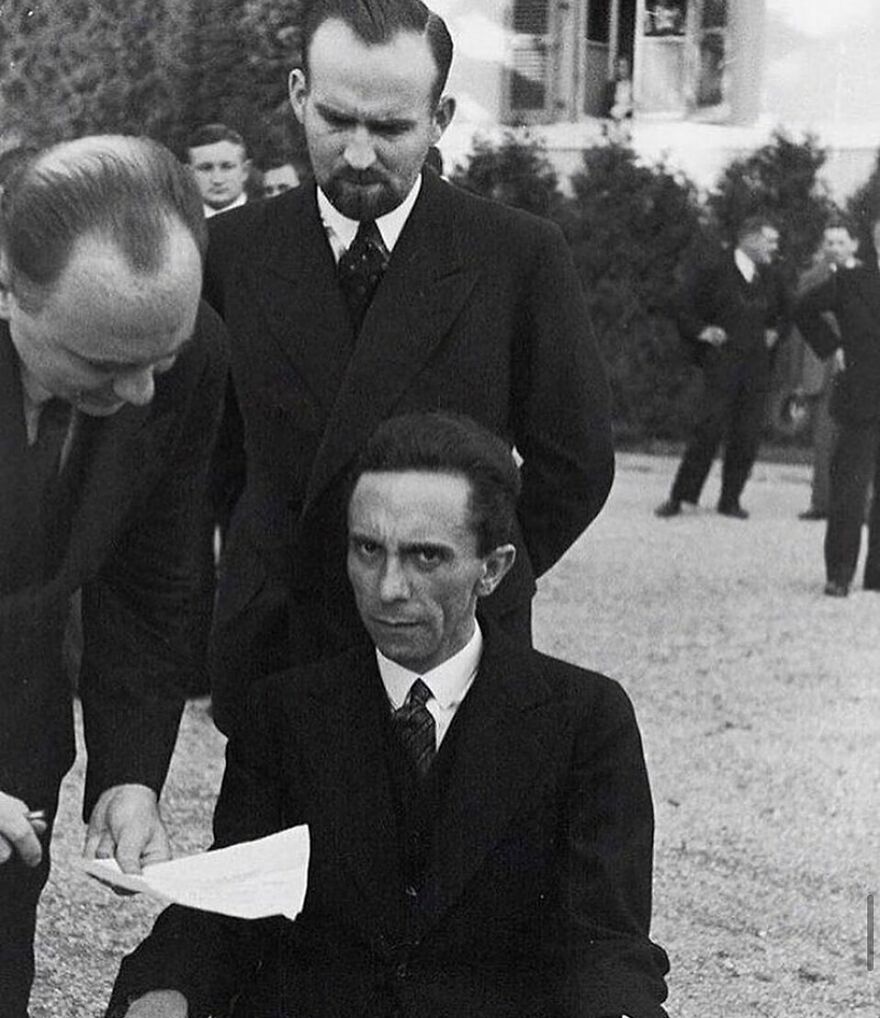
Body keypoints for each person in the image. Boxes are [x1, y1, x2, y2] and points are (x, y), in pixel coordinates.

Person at [106, 411, 669, 1018]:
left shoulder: (585, 720)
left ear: (494, 569)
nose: (387, 588)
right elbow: (232, 908)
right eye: (368, 549)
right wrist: (164, 989)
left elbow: (606, 945)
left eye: (426, 557)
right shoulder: (283, 713)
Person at [205, 0, 615, 735]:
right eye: (335, 120)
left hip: (452, 656)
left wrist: (467, 575)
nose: (358, 154)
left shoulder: (517, 255)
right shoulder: (229, 252)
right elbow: (209, 462)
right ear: (300, 94)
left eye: (391, 128)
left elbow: (576, 460)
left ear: (441, 117)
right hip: (278, 648)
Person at [0, 135, 228, 1016]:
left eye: (159, 362)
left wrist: (130, 771)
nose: (141, 395)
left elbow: (152, 576)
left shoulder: (187, 347)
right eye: (101, 365)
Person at [656, 215, 790, 519]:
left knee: (747, 435)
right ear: (750, 239)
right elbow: (680, 304)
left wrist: (776, 332)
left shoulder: (772, 277)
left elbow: (787, 313)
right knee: (709, 429)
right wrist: (702, 330)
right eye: (770, 240)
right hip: (722, 365)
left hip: (756, 368)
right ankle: (681, 497)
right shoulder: (713, 270)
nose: (775, 246)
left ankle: (730, 500)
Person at [794, 213, 880, 597]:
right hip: (860, 399)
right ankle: (839, 573)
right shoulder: (850, 280)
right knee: (850, 488)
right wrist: (833, 347)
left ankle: (877, 576)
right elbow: (802, 310)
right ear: (876, 243)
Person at [793, 220, 858, 521]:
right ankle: (822, 503)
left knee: (860, 440)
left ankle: (859, 506)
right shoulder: (810, 278)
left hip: (860, 367)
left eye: (840, 242)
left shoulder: (868, 277)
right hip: (821, 365)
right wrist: (796, 379)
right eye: (829, 242)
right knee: (823, 439)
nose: (834, 248)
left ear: (854, 245)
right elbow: (799, 331)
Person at [186, 123, 251, 218]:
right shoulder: (175, 223)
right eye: (206, 168)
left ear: (245, 171)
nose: (217, 180)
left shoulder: (270, 219)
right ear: (189, 174)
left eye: (227, 167)